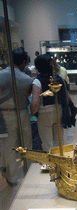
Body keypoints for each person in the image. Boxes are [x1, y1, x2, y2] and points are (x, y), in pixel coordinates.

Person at [0, 47, 33, 186]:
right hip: (22, 112)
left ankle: (12, 177)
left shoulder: (0, 74)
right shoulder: (26, 79)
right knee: (27, 144)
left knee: (9, 146)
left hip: (5, 114)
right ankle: (31, 173)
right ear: (24, 62)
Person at [30, 54, 72, 152]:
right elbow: (67, 96)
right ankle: (60, 162)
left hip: (45, 113)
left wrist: (33, 113)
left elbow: (35, 102)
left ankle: (50, 164)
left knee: (47, 142)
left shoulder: (38, 81)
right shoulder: (60, 78)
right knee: (59, 140)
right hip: (60, 110)